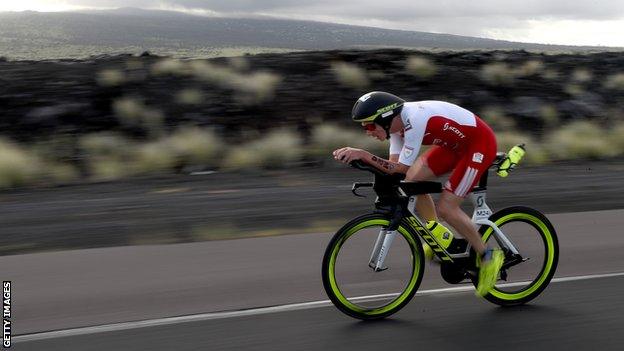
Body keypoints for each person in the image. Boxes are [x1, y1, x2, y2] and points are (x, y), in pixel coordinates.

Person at [332, 91, 504, 297]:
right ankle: (437, 232)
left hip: (478, 145)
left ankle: (488, 255)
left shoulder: (414, 119)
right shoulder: (396, 129)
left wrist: (363, 155)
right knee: (411, 182)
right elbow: (394, 168)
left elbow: (400, 167)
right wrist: (365, 161)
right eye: (364, 127)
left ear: (386, 118)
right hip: (453, 147)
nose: (368, 132)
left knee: (447, 208)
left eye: (370, 126)